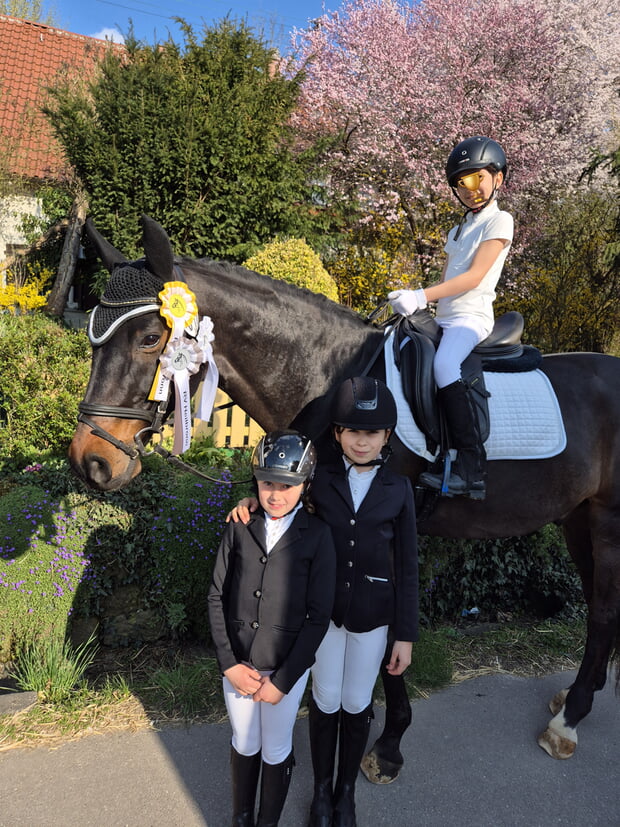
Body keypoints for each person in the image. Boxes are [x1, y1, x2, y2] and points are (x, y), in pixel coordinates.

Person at [229, 378, 418, 827]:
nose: (361, 440)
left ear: (386, 437)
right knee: (326, 698)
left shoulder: (399, 490)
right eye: (352, 431)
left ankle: (345, 793)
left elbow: (407, 566)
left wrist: (405, 634)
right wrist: (249, 505)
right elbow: (281, 501)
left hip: (373, 617)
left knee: (356, 702)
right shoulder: (320, 481)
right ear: (336, 434)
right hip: (324, 615)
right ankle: (318, 792)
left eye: (371, 433)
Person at [208, 430, 336, 827]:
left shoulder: (318, 536)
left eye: (286, 485)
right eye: (267, 484)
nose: (275, 494)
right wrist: (228, 663)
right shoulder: (239, 526)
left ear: (304, 485)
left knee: (276, 747)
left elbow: (319, 617)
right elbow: (216, 595)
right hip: (240, 666)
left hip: (287, 669)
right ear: (255, 483)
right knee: (244, 741)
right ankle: (242, 818)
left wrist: (282, 680)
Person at [388, 135, 514, 500]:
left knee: (445, 366)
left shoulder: (500, 221)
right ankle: (433, 449)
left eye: (478, 179)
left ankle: (472, 466)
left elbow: (473, 278)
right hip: (445, 317)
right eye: (462, 183)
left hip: (472, 317)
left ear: (497, 179)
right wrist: (421, 306)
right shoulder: (458, 229)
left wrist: (419, 296)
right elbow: (448, 278)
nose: (470, 189)